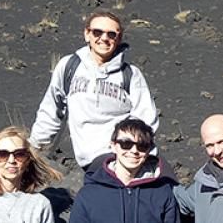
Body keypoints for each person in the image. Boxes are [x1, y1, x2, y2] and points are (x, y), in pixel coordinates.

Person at [29, 10, 159, 170]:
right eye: (97, 32)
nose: (104, 38)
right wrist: (34, 148)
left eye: (111, 34)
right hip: (85, 162)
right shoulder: (69, 66)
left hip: (120, 162)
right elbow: (51, 111)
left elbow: (146, 120)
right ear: (87, 34)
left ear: (118, 39)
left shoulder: (131, 74)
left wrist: (132, 156)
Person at [69, 118, 178, 223]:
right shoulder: (88, 195)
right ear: (113, 146)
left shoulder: (162, 192)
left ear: (149, 150)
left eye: (142, 146)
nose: (134, 151)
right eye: (126, 144)